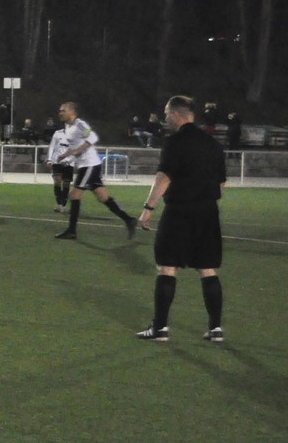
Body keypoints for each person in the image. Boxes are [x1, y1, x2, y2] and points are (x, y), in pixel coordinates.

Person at [135, 95, 228, 343]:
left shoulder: (175, 142)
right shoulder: (212, 144)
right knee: (207, 268)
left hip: (179, 211)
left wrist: (148, 208)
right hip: (207, 211)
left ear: (177, 114)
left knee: (167, 266)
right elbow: (221, 183)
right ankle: (215, 329)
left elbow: (163, 177)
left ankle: (160, 328)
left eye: (167, 113)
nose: (165, 117)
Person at [51, 100, 138, 241]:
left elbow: (93, 137)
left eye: (63, 110)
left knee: (74, 195)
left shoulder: (80, 124)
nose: (60, 113)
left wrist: (78, 151)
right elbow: (74, 146)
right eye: (60, 110)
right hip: (88, 165)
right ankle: (129, 220)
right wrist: (65, 155)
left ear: (72, 112)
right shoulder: (68, 126)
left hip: (89, 165)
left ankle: (72, 231)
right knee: (103, 197)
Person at [46, 123, 73, 213]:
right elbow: (52, 146)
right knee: (57, 180)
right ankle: (59, 204)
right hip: (56, 161)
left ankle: (63, 204)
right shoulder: (57, 133)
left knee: (66, 183)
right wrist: (49, 159)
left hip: (69, 163)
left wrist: (68, 160)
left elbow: (76, 150)